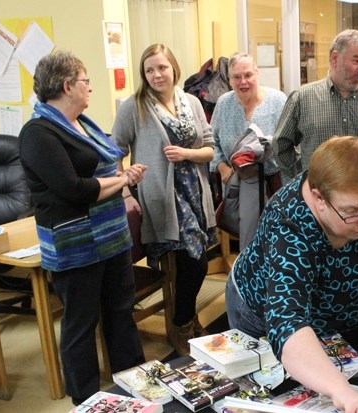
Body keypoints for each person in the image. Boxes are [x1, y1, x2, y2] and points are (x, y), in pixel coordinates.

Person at [17, 50, 147, 404]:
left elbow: (102, 173)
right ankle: (87, 401)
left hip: (111, 237)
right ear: (67, 85)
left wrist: (120, 180)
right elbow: (75, 189)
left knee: (121, 314)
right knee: (80, 326)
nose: (90, 88)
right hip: (75, 246)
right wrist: (120, 182)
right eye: (86, 81)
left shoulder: (83, 123)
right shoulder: (37, 133)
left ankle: (133, 388)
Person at [225, 136, 358, 413]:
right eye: (352, 213)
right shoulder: (288, 224)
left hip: (338, 321)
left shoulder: (350, 194)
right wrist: (341, 391)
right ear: (318, 198)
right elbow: (286, 321)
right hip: (263, 314)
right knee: (273, 391)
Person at [112, 43, 217, 355]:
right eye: (149, 70)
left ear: (174, 68)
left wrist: (186, 153)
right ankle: (182, 324)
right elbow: (113, 151)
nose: (157, 74)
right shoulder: (135, 106)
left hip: (195, 192)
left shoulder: (192, 102)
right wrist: (125, 191)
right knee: (196, 263)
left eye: (162, 67)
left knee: (195, 262)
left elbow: (210, 149)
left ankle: (185, 317)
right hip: (162, 197)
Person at [274, 29, 358, 183]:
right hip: (318, 197)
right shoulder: (302, 99)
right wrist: (303, 176)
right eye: (356, 61)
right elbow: (281, 144)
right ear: (334, 58)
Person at [210, 52, 287, 250]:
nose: (243, 81)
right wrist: (222, 167)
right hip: (238, 183)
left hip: (275, 183)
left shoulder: (277, 101)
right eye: (236, 77)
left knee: (277, 239)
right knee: (248, 242)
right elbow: (213, 141)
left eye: (248, 75)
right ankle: (247, 276)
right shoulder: (223, 104)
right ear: (229, 79)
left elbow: (291, 141)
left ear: (257, 74)